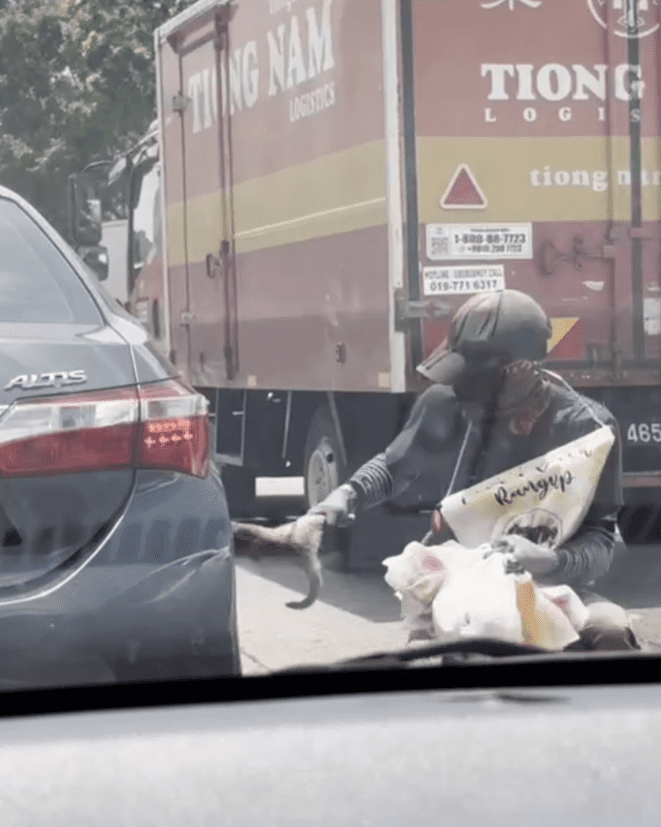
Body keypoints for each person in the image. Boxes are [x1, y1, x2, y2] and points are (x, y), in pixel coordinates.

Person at [309, 289, 639, 652]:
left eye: (475, 380)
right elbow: (394, 468)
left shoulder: (586, 430)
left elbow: (601, 538)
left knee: (610, 630)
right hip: (458, 581)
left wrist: (551, 561)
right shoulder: (444, 403)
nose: (463, 392)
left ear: (521, 370)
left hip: (554, 585)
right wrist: (346, 494)